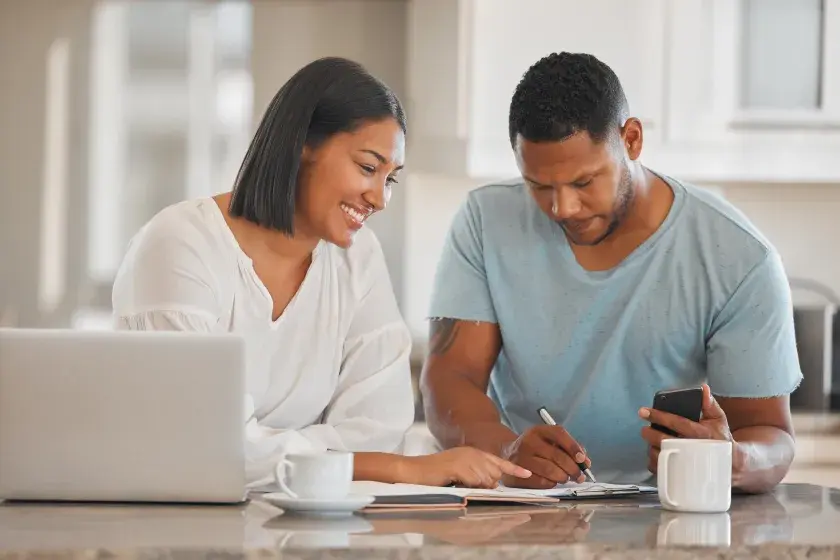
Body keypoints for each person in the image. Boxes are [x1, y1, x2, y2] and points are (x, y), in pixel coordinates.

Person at [111, 56, 530, 491]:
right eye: (368, 168)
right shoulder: (181, 244)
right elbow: (203, 446)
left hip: (302, 524)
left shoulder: (357, 257)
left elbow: (379, 429)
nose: (380, 199)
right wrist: (395, 468)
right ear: (303, 145)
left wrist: (263, 449)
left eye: (391, 178)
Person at [421, 52, 801, 494]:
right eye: (539, 186)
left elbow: (774, 438)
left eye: (584, 182)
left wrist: (731, 459)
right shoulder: (484, 222)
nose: (562, 208)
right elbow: (450, 381)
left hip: (664, 509)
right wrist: (508, 451)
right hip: (521, 504)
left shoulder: (739, 257)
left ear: (632, 139)